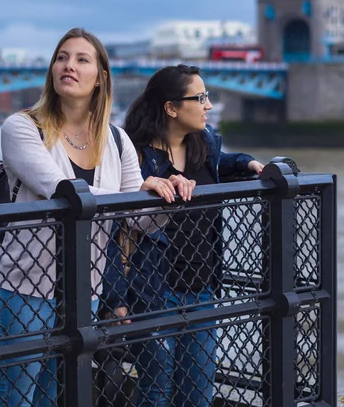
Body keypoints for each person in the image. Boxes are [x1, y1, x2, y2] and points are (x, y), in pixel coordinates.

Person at [0, 28, 185, 407]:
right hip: (25, 288)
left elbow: (139, 219)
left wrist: (167, 196)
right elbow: (64, 191)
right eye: (62, 57)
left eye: (82, 59)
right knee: (14, 399)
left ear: (101, 78)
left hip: (85, 293)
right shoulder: (23, 127)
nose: (69, 66)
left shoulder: (116, 140)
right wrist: (136, 194)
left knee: (53, 397)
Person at [113, 64, 264, 407]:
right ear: (171, 108)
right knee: (157, 392)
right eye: (200, 97)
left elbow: (221, 163)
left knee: (198, 396)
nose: (209, 105)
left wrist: (249, 163)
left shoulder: (204, 144)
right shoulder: (134, 157)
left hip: (202, 290)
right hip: (153, 292)